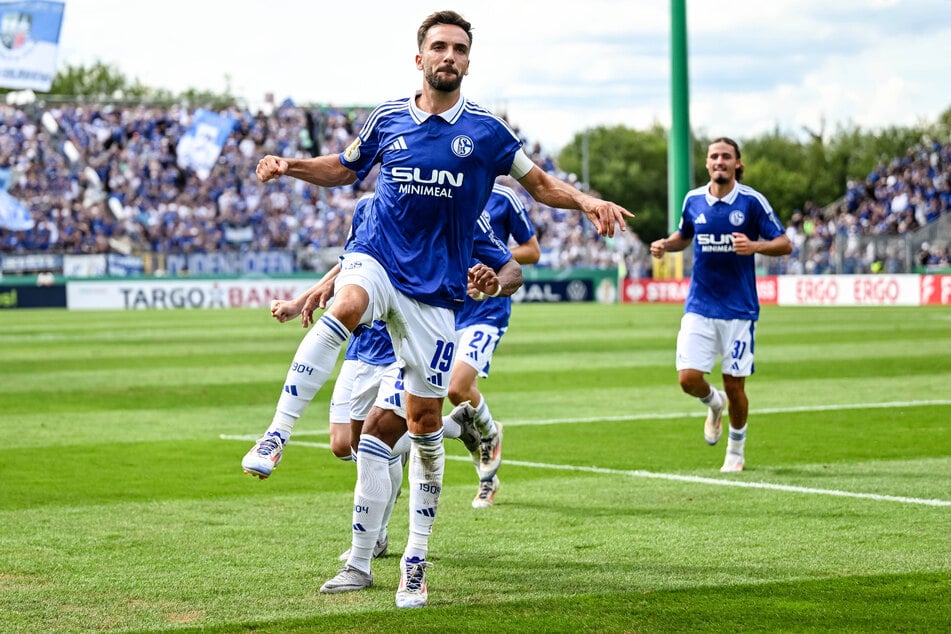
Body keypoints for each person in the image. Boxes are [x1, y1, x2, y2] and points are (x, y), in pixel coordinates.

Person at [247, 9, 632, 608]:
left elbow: (539, 188)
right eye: (439, 47)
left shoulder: (487, 134)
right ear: (419, 57)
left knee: (422, 427)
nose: (448, 56)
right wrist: (290, 166)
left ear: (468, 61)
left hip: (434, 300)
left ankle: (414, 559)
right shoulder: (386, 119)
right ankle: (276, 435)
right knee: (348, 300)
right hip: (381, 266)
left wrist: (584, 201)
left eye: (459, 48)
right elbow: (343, 169)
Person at [320, 212, 524, 600]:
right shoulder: (389, 198)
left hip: (430, 332)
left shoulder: (464, 205)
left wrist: (494, 286)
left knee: (408, 437)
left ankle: (409, 563)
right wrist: (319, 290)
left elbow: (512, 268)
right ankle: (362, 564)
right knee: (367, 442)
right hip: (387, 336)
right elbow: (356, 257)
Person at [649, 137, 791, 472]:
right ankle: (714, 404)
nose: (719, 162)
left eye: (726, 157)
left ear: (737, 164)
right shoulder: (694, 199)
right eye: (714, 156)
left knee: (735, 384)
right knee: (687, 378)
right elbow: (685, 234)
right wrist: (665, 245)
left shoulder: (752, 202)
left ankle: (736, 451)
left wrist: (754, 246)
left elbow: (784, 243)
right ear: (708, 163)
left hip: (739, 309)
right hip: (700, 304)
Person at [444, 180, 540, 508]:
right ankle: (487, 476)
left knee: (457, 388)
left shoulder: (503, 197)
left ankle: (489, 433)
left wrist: (491, 256)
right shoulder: (444, 188)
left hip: (487, 309)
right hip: (446, 307)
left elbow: (532, 250)